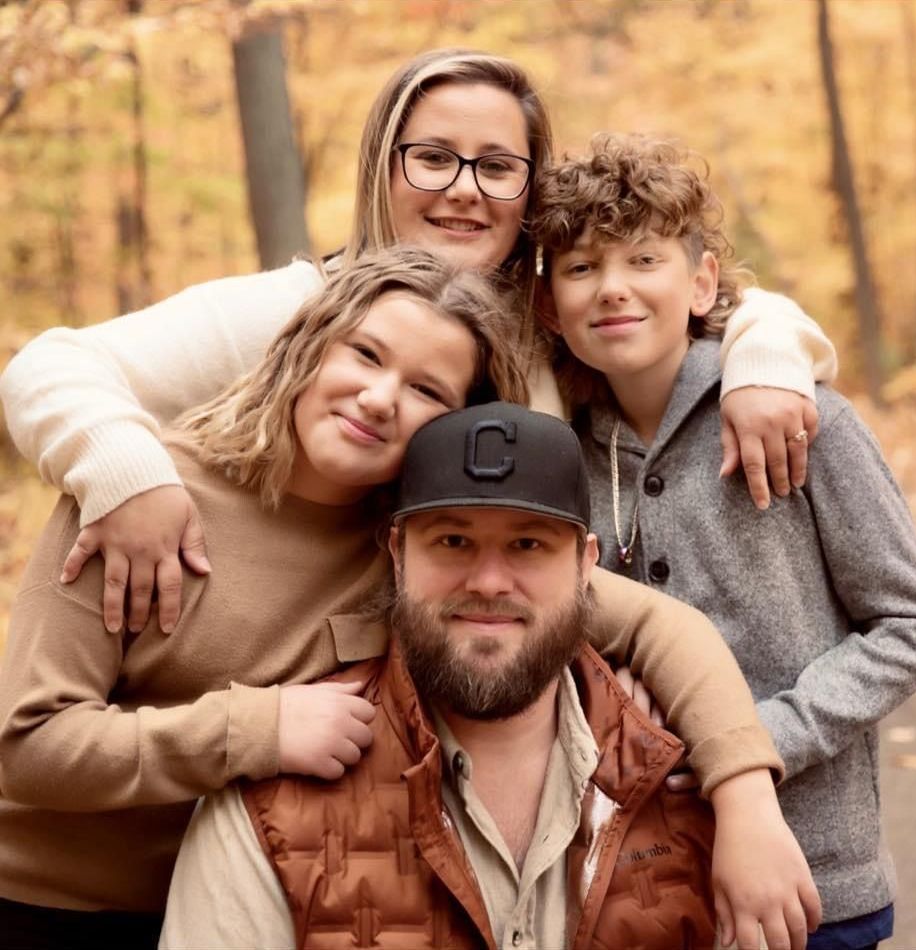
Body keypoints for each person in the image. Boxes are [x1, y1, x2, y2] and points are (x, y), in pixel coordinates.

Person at [0, 247, 807, 948]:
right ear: (309, 347)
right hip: (51, 908)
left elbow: (666, 630)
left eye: (427, 390)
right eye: (365, 355)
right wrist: (255, 729)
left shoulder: (423, 545)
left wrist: (746, 803)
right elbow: (25, 748)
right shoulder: (146, 499)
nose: (382, 398)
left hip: (262, 902)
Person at [0, 48, 837, 639]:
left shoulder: (553, 330)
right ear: (381, 168)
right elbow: (51, 364)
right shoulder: (299, 310)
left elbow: (713, 308)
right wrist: (127, 476)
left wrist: (764, 356)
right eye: (432, 158)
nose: (464, 192)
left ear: (527, 192)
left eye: (497, 167)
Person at [160, 402, 819, 950]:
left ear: (586, 564)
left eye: (528, 544)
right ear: (397, 555)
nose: (489, 581)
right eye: (452, 541)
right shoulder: (270, 809)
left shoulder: (689, 790)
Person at [529, 134, 916, 950]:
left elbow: (913, 627)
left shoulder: (804, 419)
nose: (612, 288)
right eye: (581, 269)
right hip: (631, 885)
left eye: (642, 260)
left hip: (810, 878)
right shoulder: (563, 450)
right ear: (552, 308)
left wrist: (762, 739)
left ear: (701, 284)